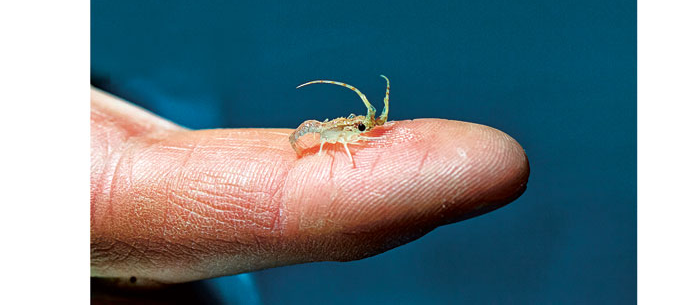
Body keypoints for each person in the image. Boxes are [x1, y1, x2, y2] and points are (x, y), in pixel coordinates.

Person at [90, 87, 529, 286]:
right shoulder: (332, 135)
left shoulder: (354, 128)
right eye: (365, 121)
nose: (371, 124)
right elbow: (339, 142)